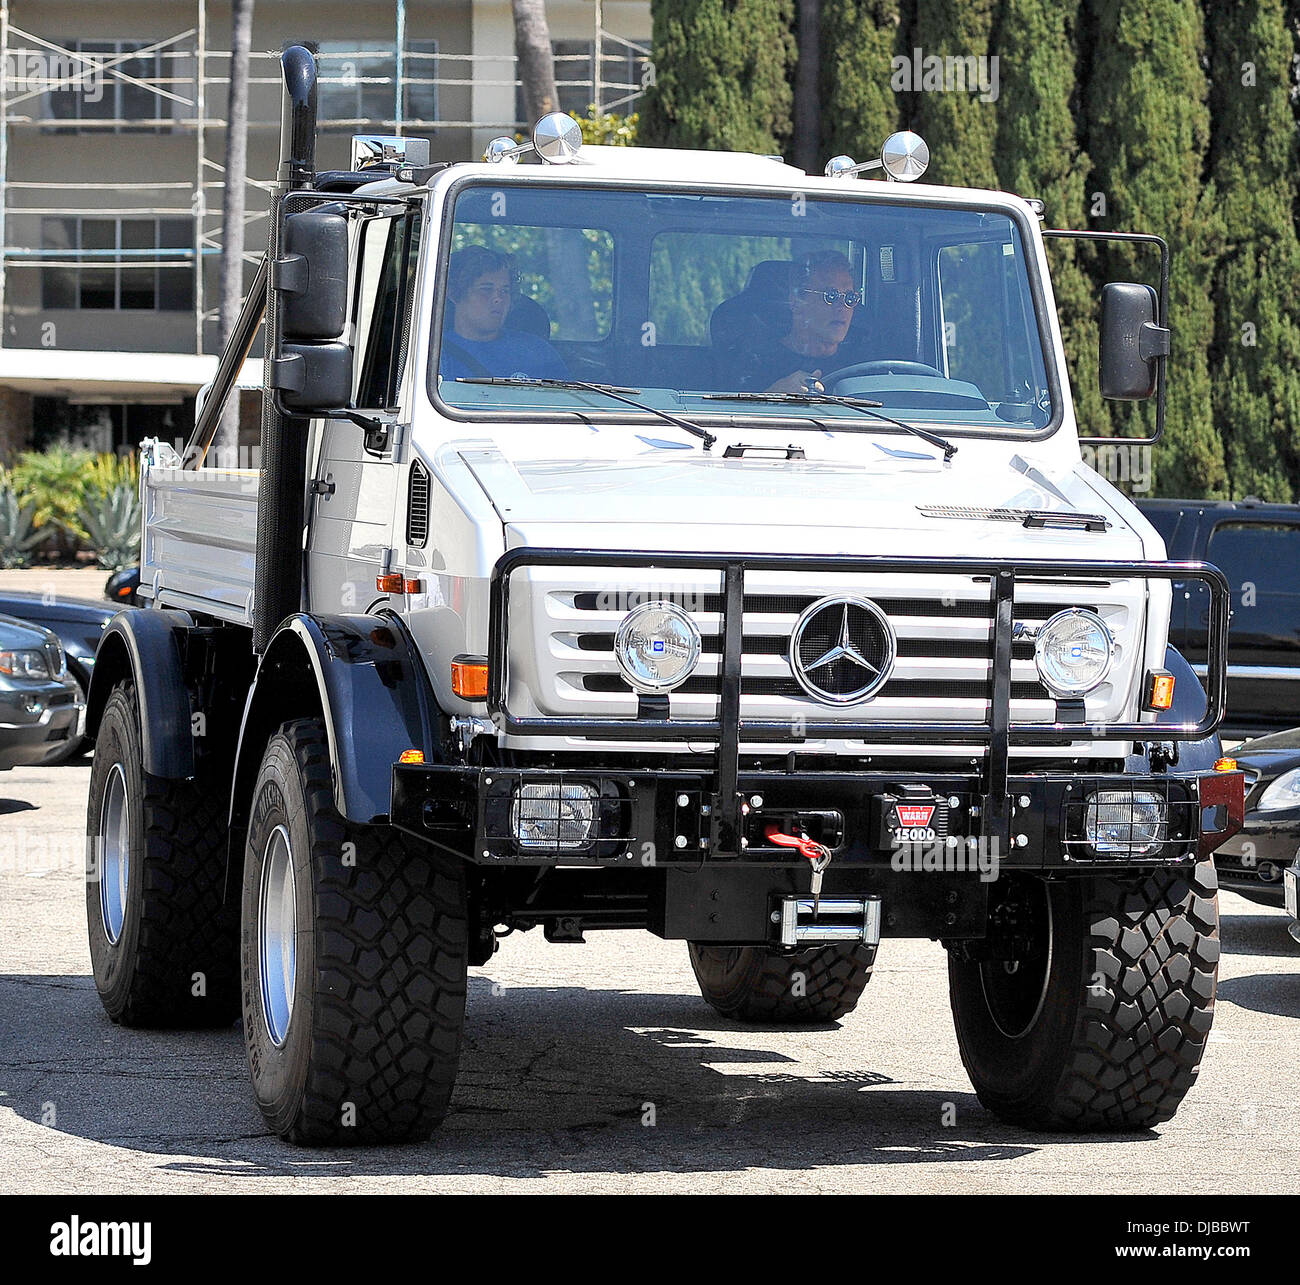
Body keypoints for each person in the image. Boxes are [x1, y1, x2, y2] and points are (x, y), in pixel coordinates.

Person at [738, 250, 863, 393]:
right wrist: (771, 396)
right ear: (796, 301)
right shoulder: (755, 364)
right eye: (831, 296)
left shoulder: (863, 366)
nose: (842, 306)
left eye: (849, 298)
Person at [439, 245, 568, 382]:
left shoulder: (538, 352)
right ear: (455, 294)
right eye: (486, 289)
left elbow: (568, 400)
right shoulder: (435, 355)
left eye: (504, 291)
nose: (498, 298)